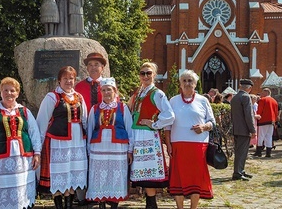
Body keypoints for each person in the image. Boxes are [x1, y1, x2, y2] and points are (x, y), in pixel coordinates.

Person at [0, 77, 41, 208]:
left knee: (21, 191)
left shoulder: (24, 111)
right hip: (0, 161)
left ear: (17, 93)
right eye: (5, 90)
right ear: (1, 92)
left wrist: (37, 153)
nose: (9, 93)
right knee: (3, 192)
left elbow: (34, 133)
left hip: (23, 160)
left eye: (12, 90)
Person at [37, 66, 88, 209]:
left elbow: (85, 120)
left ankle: (69, 206)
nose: (68, 81)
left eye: (71, 78)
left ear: (75, 80)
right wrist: (38, 147)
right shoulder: (52, 97)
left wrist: (87, 140)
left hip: (77, 141)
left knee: (72, 173)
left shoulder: (79, 97)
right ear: (59, 80)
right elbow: (42, 121)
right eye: (65, 78)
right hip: (58, 142)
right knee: (59, 174)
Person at [128, 62, 175, 209]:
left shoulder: (157, 93)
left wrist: (154, 124)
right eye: (142, 73)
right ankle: (149, 202)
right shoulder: (138, 92)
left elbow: (170, 115)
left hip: (148, 136)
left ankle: (151, 203)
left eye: (149, 73)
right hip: (136, 135)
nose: (146, 76)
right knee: (140, 170)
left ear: (154, 75)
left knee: (150, 171)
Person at [166, 70, 216, 209]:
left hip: (198, 145)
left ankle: (193, 207)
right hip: (178, 145)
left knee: (196, 178)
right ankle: (179, 207)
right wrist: (169, 144)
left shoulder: (203, 100)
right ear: (180, 84)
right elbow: (168, 125)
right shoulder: (173, 100)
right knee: (178, 177)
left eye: (190, 81)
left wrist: (204, 126)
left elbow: (212, 122)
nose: (187, 83)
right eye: (184, 81)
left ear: (195, 84)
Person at [86, 77, 133, 209]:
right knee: (99, 173)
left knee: (116, 173)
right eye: (104, 90)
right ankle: (101, 202)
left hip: (118, 148)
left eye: (109, 90)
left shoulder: (122, 108)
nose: (106, 92)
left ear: (115, 91)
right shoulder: (95, 109)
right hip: (98, 147)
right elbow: (90, 129)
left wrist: (130, 150)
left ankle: (114, 202)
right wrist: (88, 149)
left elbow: (129, 129)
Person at [74, 52, 106, 206]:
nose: (93, 68)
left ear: (102, 67)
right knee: (82, 161)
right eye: (90, 65)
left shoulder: (107, 86)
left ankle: (100, 193)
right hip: (83, 129)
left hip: (102, 131)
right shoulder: (79, 86)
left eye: (97, 65)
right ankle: (81, 195)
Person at [230, 79, 256, 181]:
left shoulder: (235, 97)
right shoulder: (246, 97)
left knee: (239, 151)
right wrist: (252, 129)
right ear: (249, 88)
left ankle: (240, 170)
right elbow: (248, 116)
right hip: (244, 129)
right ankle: (238, 172)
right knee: (242, 152)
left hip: (236, 128)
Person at [255, 88, 279, 157]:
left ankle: (258, 152)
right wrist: (275, 122)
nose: (261, 94)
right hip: (272, 121)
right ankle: (268, 153)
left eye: (262, 92)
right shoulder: (274, 101)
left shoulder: (262, 100)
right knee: (269, 137)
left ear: (266, 92)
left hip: (263, 120)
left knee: (261, 136)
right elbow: (276, 112)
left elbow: (260, 110)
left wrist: (257, 116)